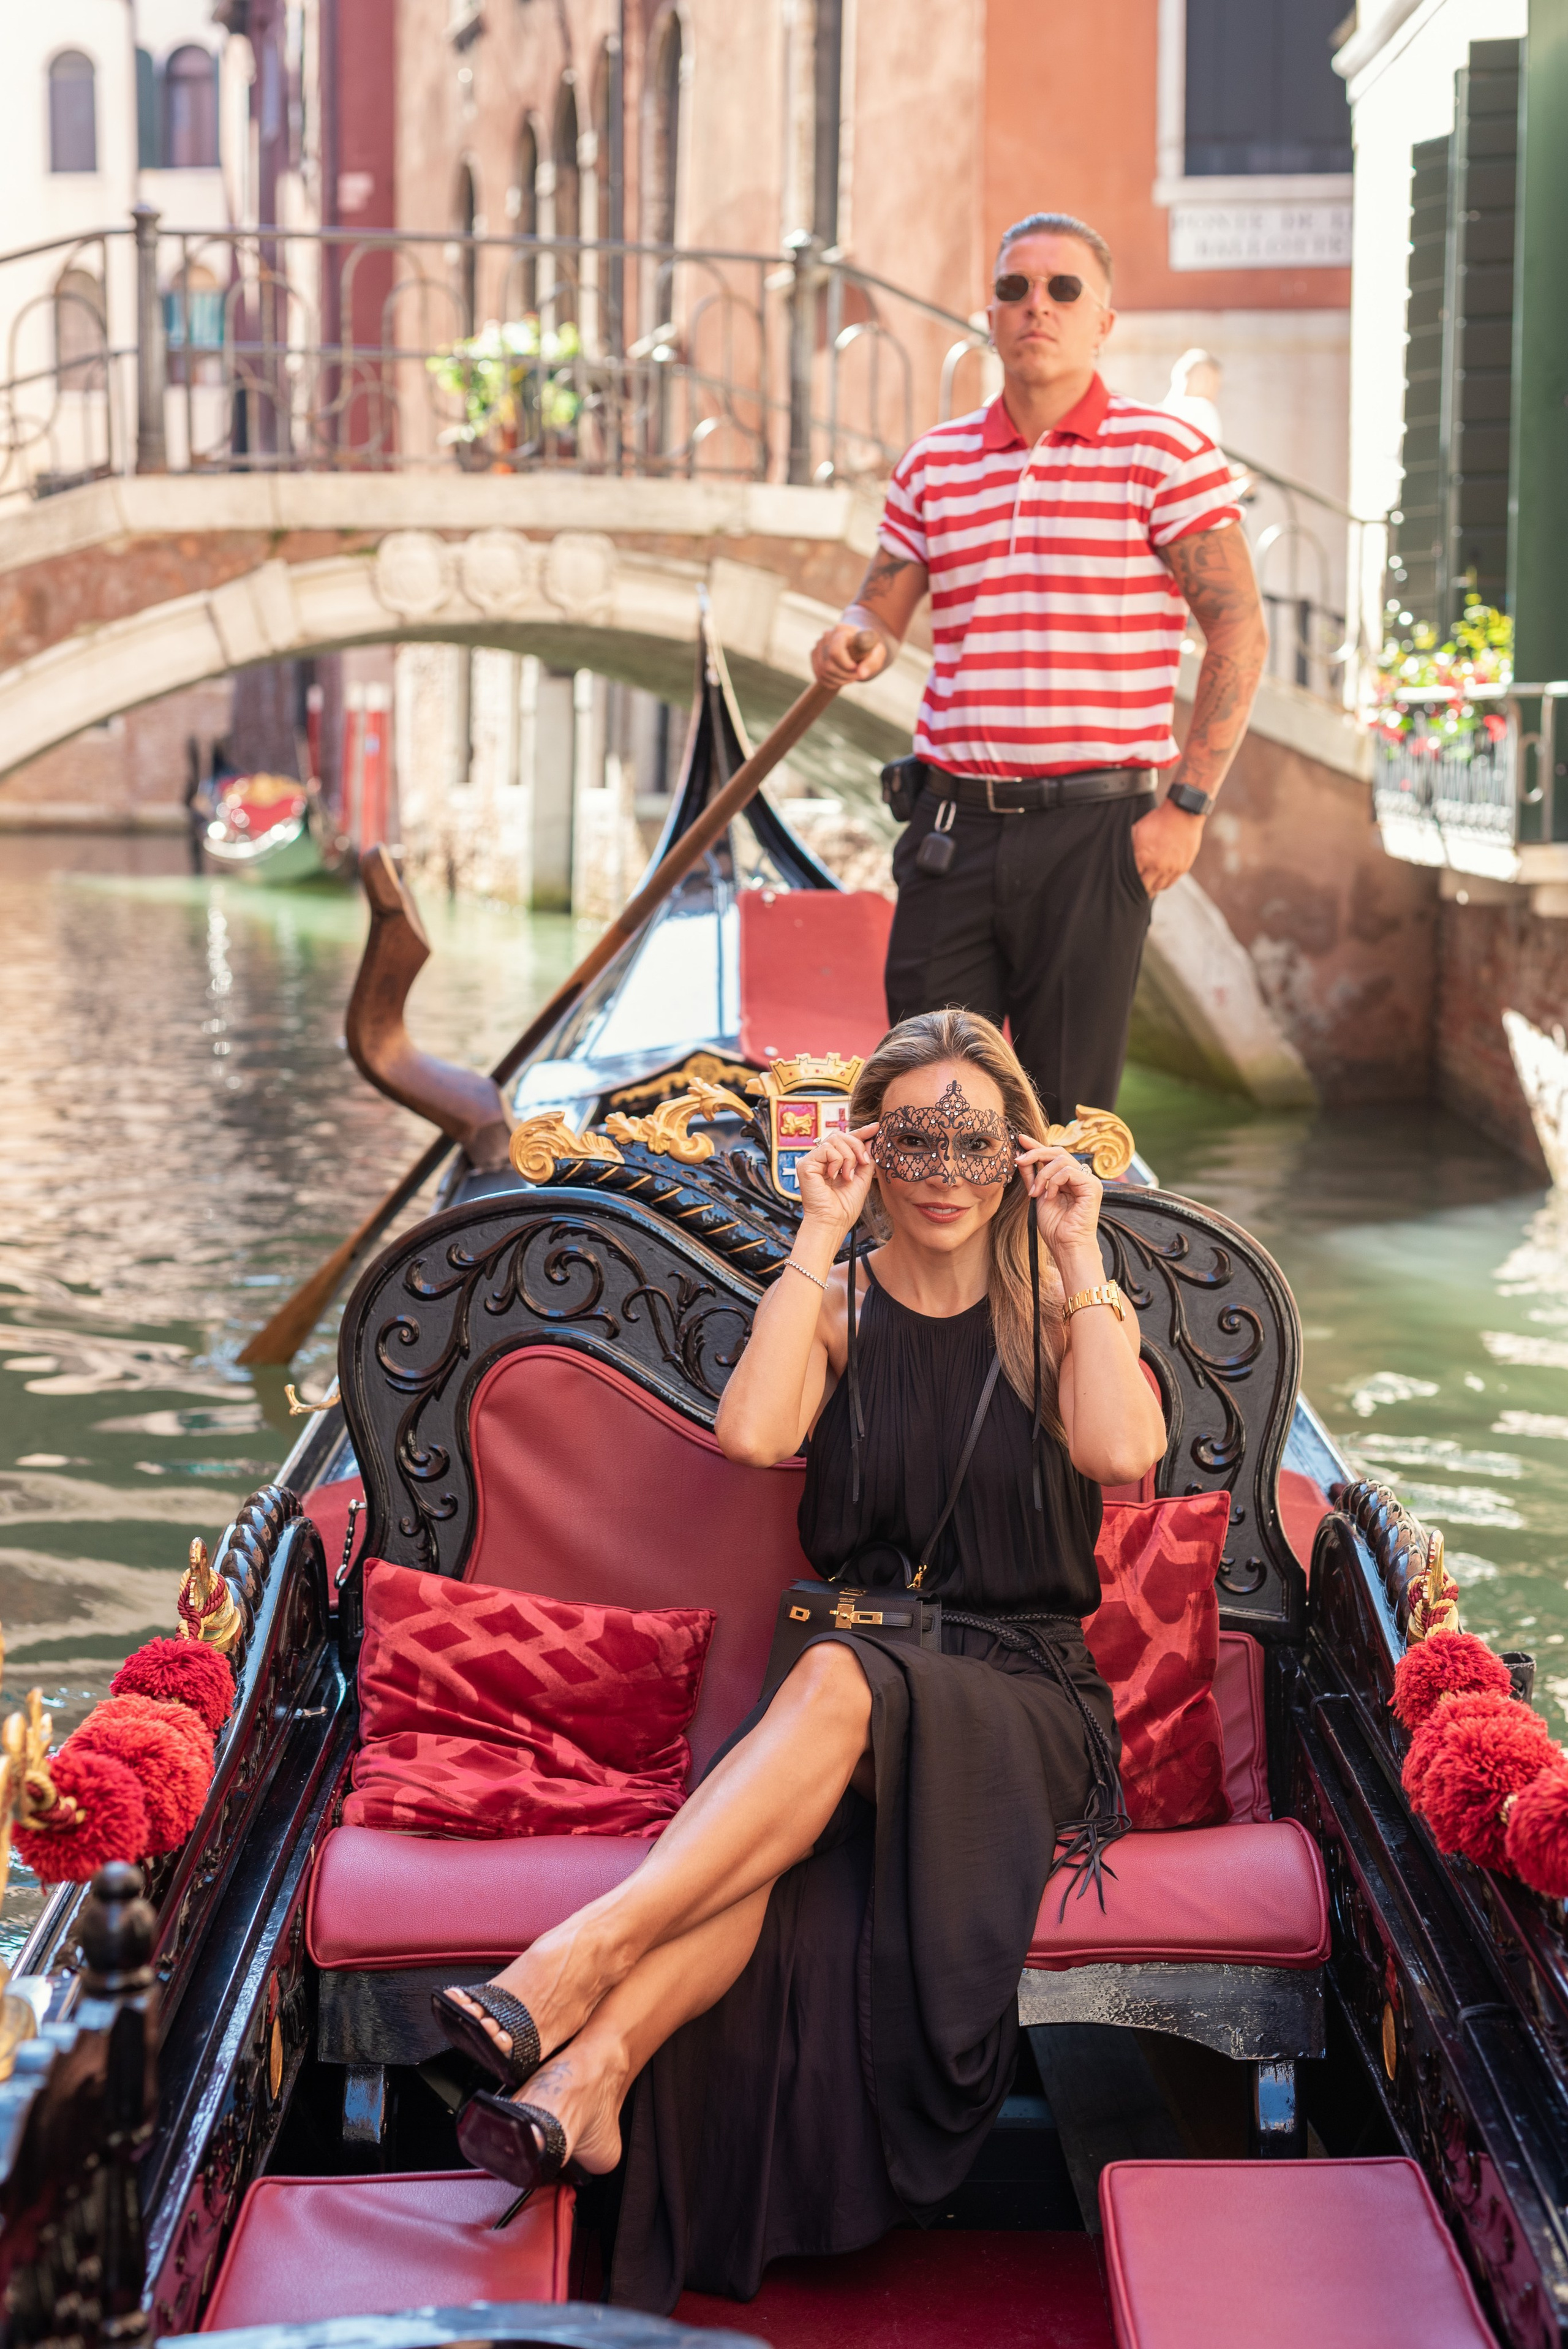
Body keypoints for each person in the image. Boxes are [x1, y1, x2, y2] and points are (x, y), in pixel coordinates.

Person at [434, 1006, 1167, 2313]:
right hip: (852, 1711)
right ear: (867, 1145)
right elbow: (753, 1433)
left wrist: (1076, 1247)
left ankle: (575, 1962)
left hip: (1017, 1699)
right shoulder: (832, 1300)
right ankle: (586, 2080)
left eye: (973, 1142)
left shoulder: (1057, 1304)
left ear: (1017, 1150)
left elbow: (1120, 1455)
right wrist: (815, 1237)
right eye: (913, 1140)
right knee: (772, 1845)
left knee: (825, 1676)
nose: (942, 1172)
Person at [811, 211, 1270, 1128]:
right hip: (952, 828)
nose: (1037, 307)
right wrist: (853, 635)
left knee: (1064, 1120)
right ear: (991, 314)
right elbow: (881, 608)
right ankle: (947, 1275)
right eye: (1016, 288)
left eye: (1064, 290)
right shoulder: (935, 466)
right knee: (928, 1107)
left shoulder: (1164, 455)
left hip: (1096, 834)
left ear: (1102, 321)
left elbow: (1238, 633)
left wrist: (1185, 806)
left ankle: (1046, 1276)